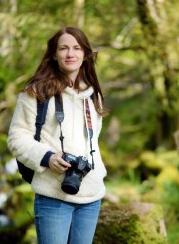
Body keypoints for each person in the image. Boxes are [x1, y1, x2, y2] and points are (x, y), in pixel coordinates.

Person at [7, 26, 107, 244]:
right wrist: (47, 157)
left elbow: (93, 142)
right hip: (53, 195)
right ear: (54, 54)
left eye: (76, 48)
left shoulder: (93, 96)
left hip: (91, 196)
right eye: (63, 48)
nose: (70, 54)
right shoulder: (36, 92)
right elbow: (16, 138)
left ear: (85, 54)